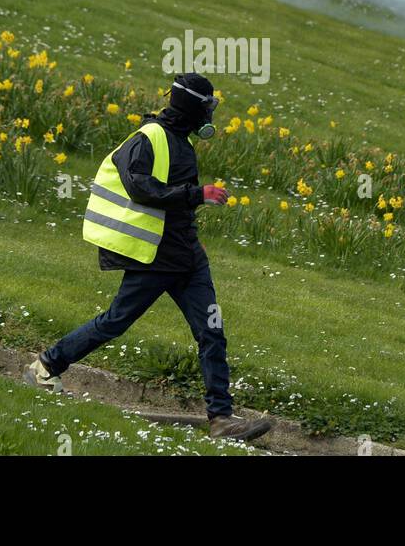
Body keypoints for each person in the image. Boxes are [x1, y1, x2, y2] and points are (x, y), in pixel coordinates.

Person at [24, 73, 273, 443]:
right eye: (207, 107)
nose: (211, 115)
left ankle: (221, 419)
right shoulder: (149, 137)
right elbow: (140, 187)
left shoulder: (182, 142)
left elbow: (174, 203)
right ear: (193, 107)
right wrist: (196, 194)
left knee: (212, 332)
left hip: (187, 259)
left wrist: (193, 240)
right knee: (115, 322)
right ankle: (45, 366)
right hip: (153, 260)